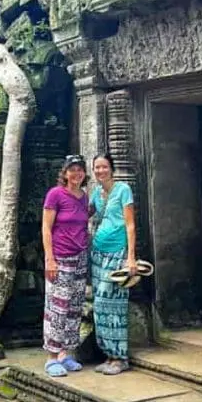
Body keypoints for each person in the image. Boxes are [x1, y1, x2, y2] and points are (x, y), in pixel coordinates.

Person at [42, 154, 89, 377]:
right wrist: (49, 259)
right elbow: (46, 228)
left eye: (80, 169)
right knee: (57, 308)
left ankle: (65, 354)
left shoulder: (84, 197)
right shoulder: (55, 195)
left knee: (74, 307)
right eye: (72, 170)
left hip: (80, 258)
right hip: (60, 258)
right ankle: (52, 357)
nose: (76, 173)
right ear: (65, 173)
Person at [90, 153, 137, 375]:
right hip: (98, 254)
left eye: (104, 167)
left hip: (118, 253)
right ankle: (108, 355)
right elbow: (82, 215)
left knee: (114, 305)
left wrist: (130, 257)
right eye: (97, 168)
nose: (100, 171)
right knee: (99, 306)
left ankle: (120, 357)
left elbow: (130, 225)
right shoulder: (96, 194)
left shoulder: (123, 190)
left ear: (112, 168)